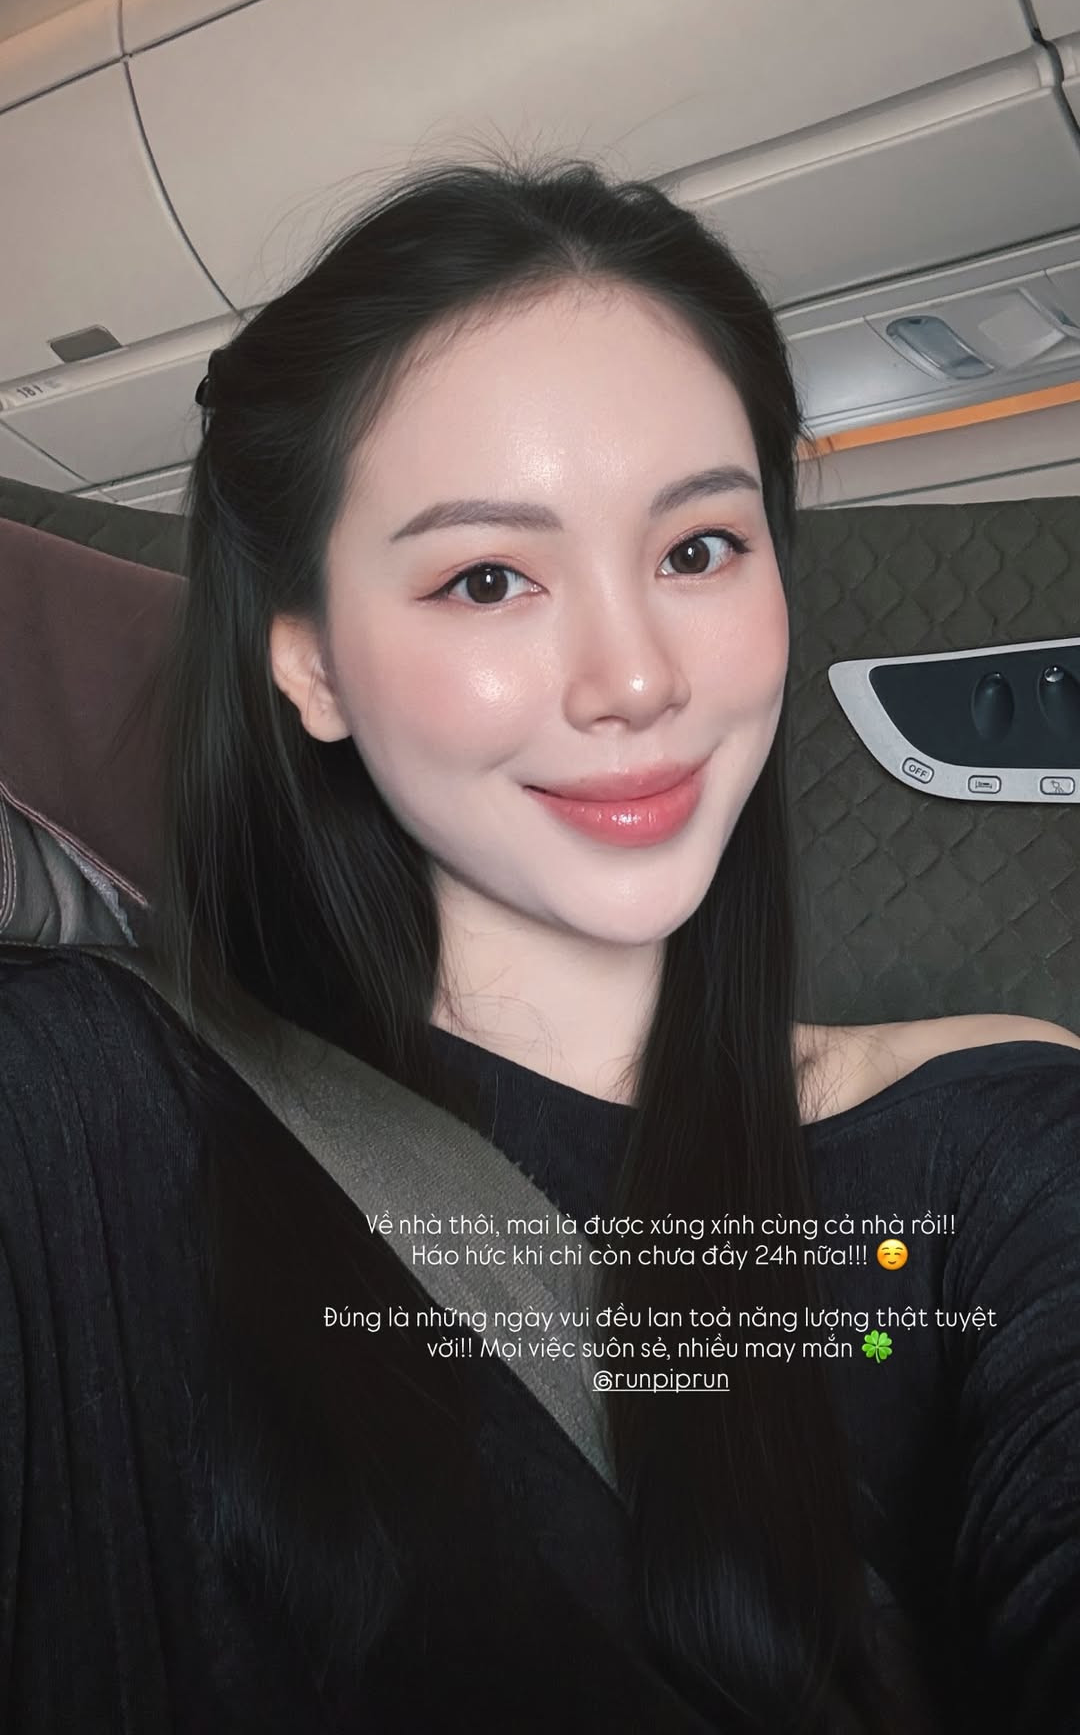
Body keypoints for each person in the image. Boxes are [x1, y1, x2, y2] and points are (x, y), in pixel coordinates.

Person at [2, 153, 1079, 1735]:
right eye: (489, 578)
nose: (636, 678)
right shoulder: (88, 1110)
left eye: (697, 549)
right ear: (310, 666)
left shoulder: (998, 1126)